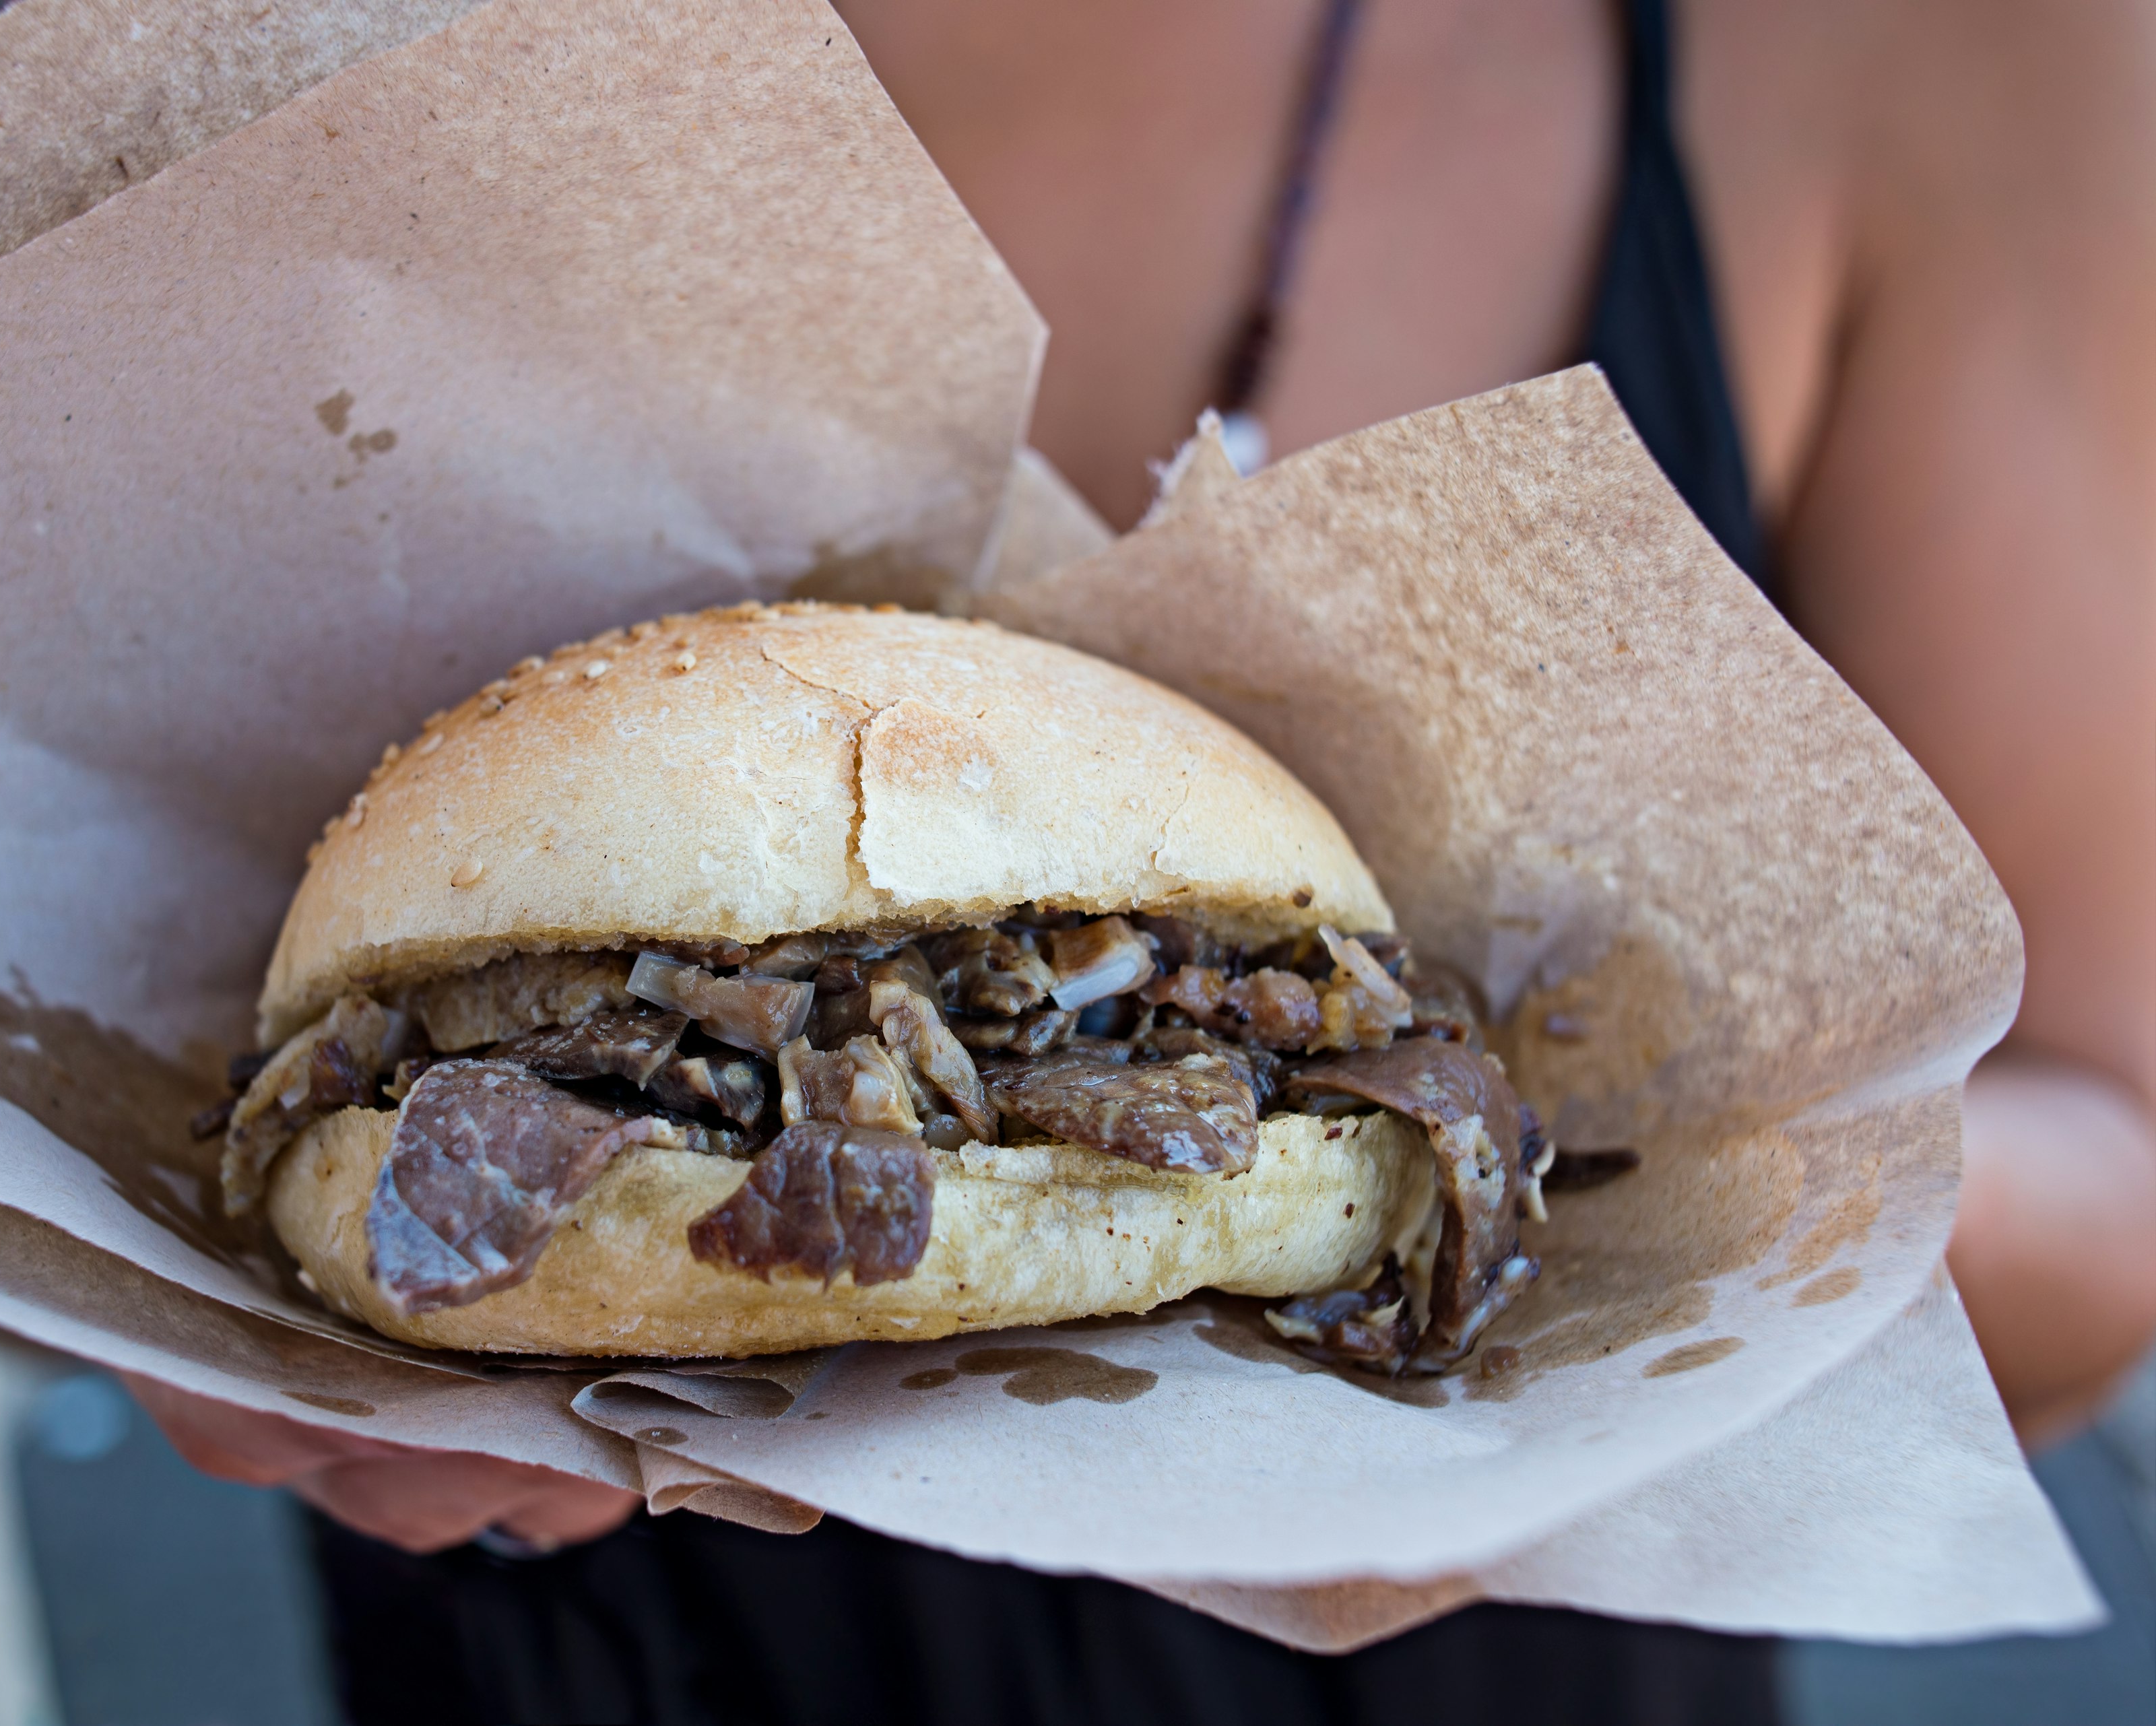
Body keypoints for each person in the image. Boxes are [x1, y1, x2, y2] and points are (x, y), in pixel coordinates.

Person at [139, 1, 2156, 1717]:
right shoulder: (275, 54)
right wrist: (175, 1325)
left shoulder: (1923, 55)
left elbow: (2113, 1200)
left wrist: (1536, 1236)